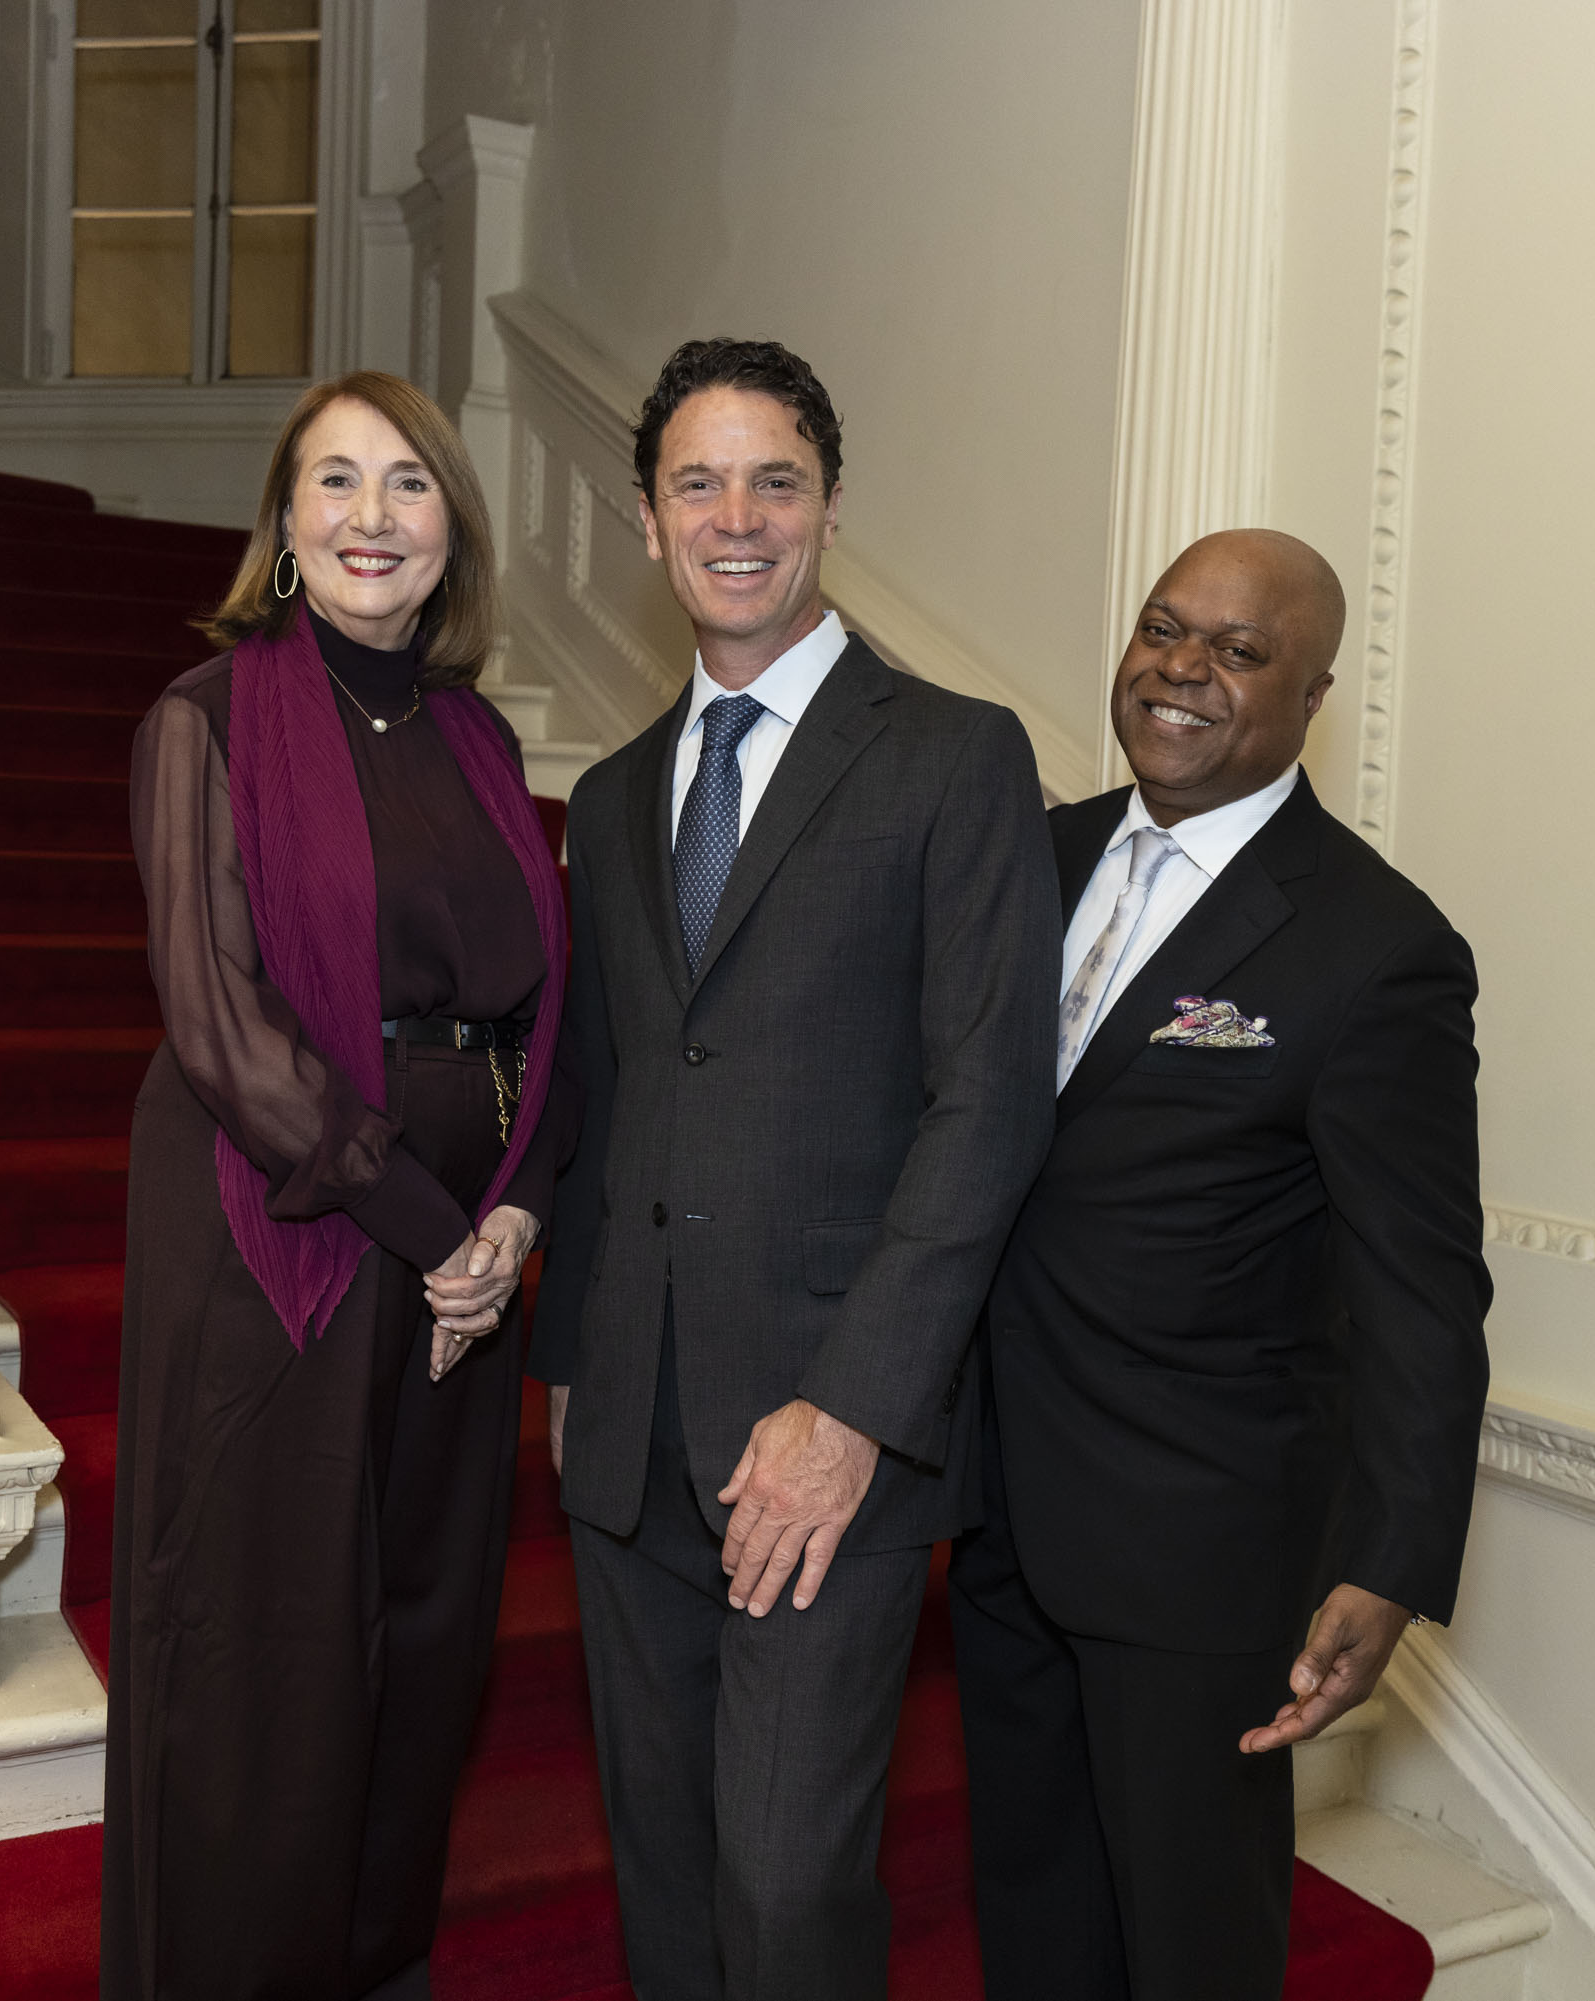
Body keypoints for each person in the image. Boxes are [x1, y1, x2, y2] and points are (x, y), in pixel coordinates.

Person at [528, 338, 1057, 2001]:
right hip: (630, 1439)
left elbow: (990, 1107)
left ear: (830, 506)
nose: (736, 516)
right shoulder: (614, 797)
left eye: (776, 480)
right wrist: (568, 1367)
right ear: (645, 517)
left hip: (828, 1436)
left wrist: (852, 1415)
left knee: (786, 1889)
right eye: (699, 482)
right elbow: (608, 1102)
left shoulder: (957, 755)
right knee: (669, 1877)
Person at [951, 530, 1493, 1999]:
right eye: (1162, 629)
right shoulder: (1034, 854)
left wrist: (1389, 1559)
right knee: (1038, 1915)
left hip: (1199, 1544)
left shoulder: (1378, 946)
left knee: (1191, 1941)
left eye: (1238, 650)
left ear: (1313, 692)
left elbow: (1424, 1285)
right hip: (999, 1505)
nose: (1182, 669)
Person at [101, 370, 570, 2001]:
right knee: (268, 1634)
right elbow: (222, 1020)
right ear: (286, 526)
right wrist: (436, 1228)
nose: (376, 516)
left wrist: (515, 1208)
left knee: (427, 1620)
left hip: (464, 1230)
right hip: (281, 1221)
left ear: (454, 529)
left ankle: (375, 1960)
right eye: (338, 484)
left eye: (411, 486)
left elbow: (552, 1003)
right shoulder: (206, 718)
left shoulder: (481, 735)